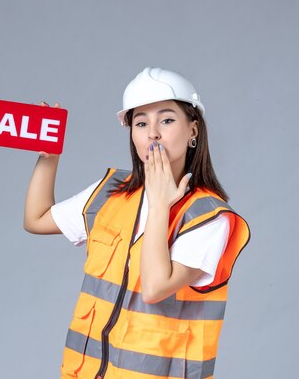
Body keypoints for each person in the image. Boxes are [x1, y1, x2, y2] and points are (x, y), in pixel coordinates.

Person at [23, 67, 250, 379]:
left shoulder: (208, 217)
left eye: (167, 120)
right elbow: (36, 219)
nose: (152, 133)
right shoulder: (111, 192)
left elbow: (155, 288)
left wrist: (159, 204)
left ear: (193, 129)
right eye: (141, 122)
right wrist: (49, 157)